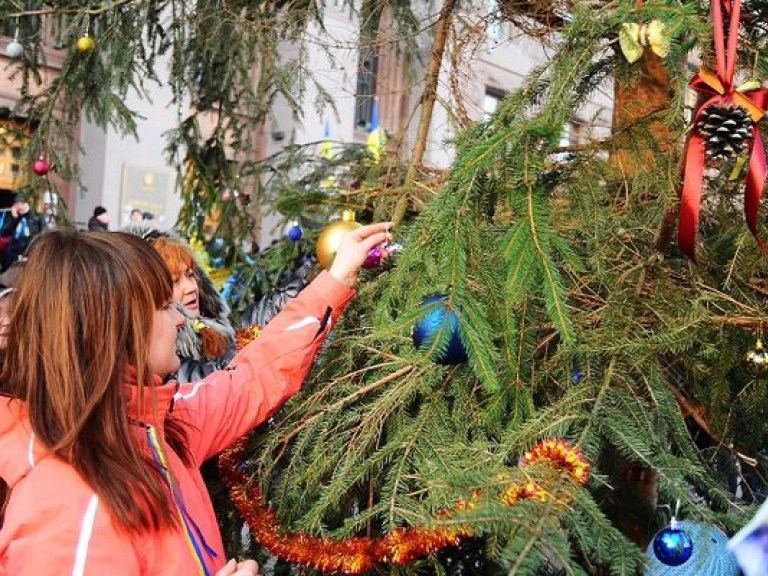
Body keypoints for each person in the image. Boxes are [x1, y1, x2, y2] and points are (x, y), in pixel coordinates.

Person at [0, 223, 391, 574]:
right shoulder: (69, 504)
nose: (180, 318)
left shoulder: (159, 425)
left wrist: (337, 277)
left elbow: (250, 378)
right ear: (116, 329)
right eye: (161, 306)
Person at [151, 236, 235, 383]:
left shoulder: (211, 322)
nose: (191, 288)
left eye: (190, 276)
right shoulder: (162, 353)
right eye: (175, 281)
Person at [0, 193, 45, 271]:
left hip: (27, 254)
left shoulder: (37, 217)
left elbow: (42, 236)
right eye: (16, 204)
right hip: (11, 257)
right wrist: (14, 219)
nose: (18, 207)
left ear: (27, 204)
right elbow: (4, 233)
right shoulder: (12, 216)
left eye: (20, 204)